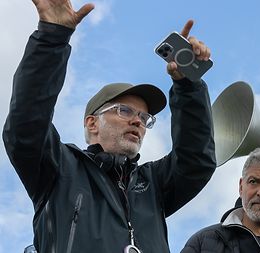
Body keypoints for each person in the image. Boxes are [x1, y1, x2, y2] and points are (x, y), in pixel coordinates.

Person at [2, 0, 216, 252]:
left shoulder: (153, 184)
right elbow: (26, 124)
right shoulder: (57, 168)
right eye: (124, 111)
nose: (138, 121)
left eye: (144, 117)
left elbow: (196, 162)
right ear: (92, 123)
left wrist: (188, 86)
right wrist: (52, 37)